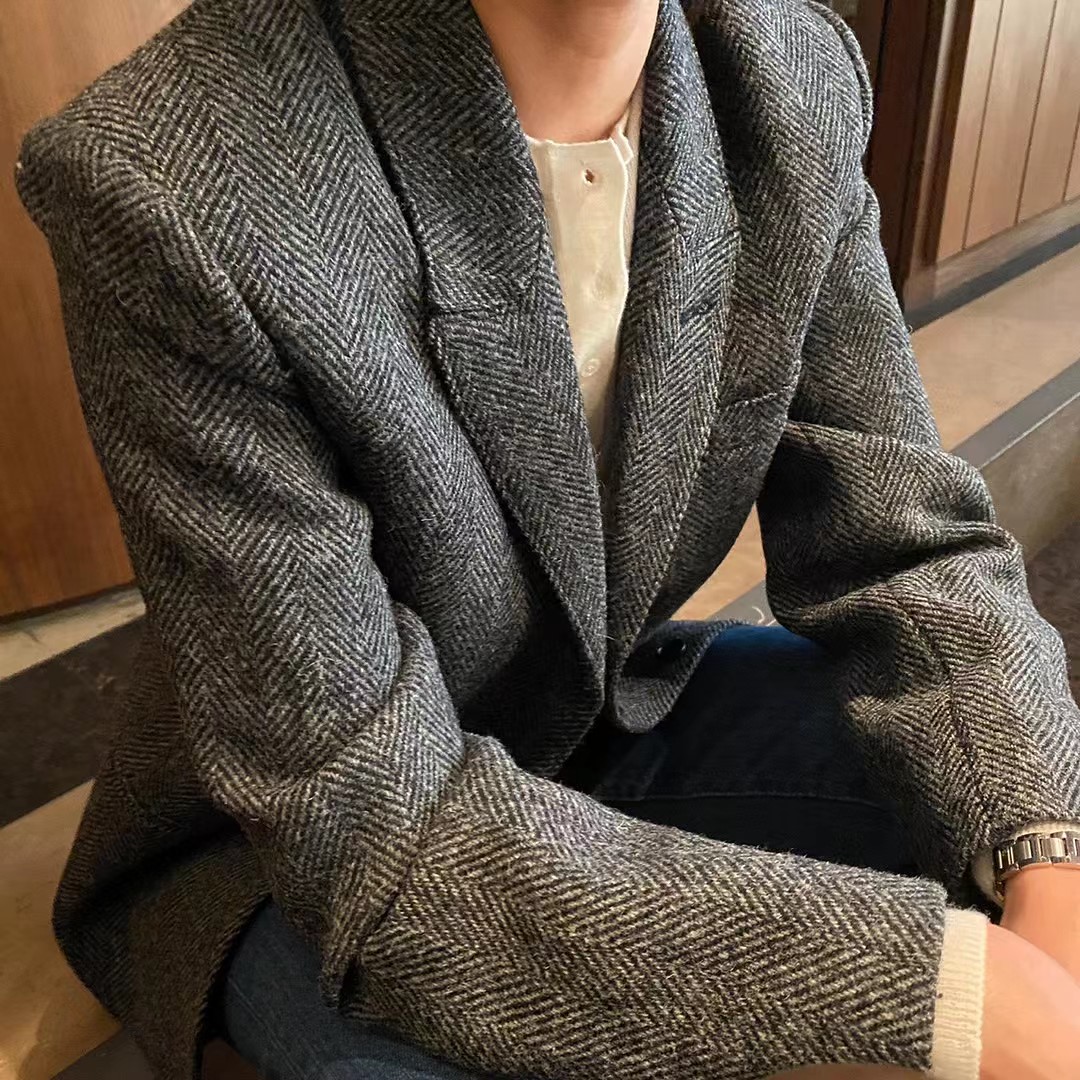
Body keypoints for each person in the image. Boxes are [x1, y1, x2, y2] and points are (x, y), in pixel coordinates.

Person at [15, 0, 1080, 1077]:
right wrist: (946, 988)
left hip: (599, 717)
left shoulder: (784, 72)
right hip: (296, 845)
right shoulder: (171, 173)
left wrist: (1046, 857)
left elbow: (906, 548)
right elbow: (363, 823)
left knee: (1023, 791)